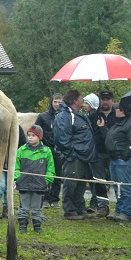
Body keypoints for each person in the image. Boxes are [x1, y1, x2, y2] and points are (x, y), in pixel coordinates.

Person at [53, 89, 97, 220]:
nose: (82, 102)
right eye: (80, 99)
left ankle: (79, 208)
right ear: (74, 101)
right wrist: (71, 154)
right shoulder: (64, 116)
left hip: (83, 156)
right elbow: (61, 138)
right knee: (71, 183)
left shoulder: (76, 114)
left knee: (81, 184)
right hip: (74, 156)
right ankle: (69, 211)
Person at [105, 101, 131, 223]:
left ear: (123, 111)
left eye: (118, 109)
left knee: (126, 187)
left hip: (125, 161)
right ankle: (119, 209)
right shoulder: (118, 124)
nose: (116, 111)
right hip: (116, 159)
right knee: (117, 187)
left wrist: (124, 157)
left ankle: (127, 212)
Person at [14, 125, 54, 233]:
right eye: (29, 135)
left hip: (39, 184)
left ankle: (37, 225)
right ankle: (22, 225)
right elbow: (16, 166)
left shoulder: (46, 151)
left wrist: (47, 180)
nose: (30, 138)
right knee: (24, 206)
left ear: (39, 137)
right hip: (24, 183)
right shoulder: (21, 150)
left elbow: (50, 168)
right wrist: (17, 178)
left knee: (37, 207)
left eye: (33, 135)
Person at [87, 90, 116, 217]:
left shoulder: (118, 115)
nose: (105, 101)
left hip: (113, 153)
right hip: (97, 152)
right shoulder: (93, 116)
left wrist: (104, 128)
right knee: (99, 181)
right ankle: (103, 207)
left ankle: (122, 207)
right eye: (103, 99)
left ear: (112, 101)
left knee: (114, 179)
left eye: (108, 99)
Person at [36, 93, 64, 208]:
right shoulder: (43, 116)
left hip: (59, 150)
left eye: (59, 102)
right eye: (55, 102)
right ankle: (45, 198)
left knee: (57, 174)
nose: (57, 104)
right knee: (44, 174)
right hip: (46, 149)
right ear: (51, 102)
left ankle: (54, 198)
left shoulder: (64, 116)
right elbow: (36, 131)